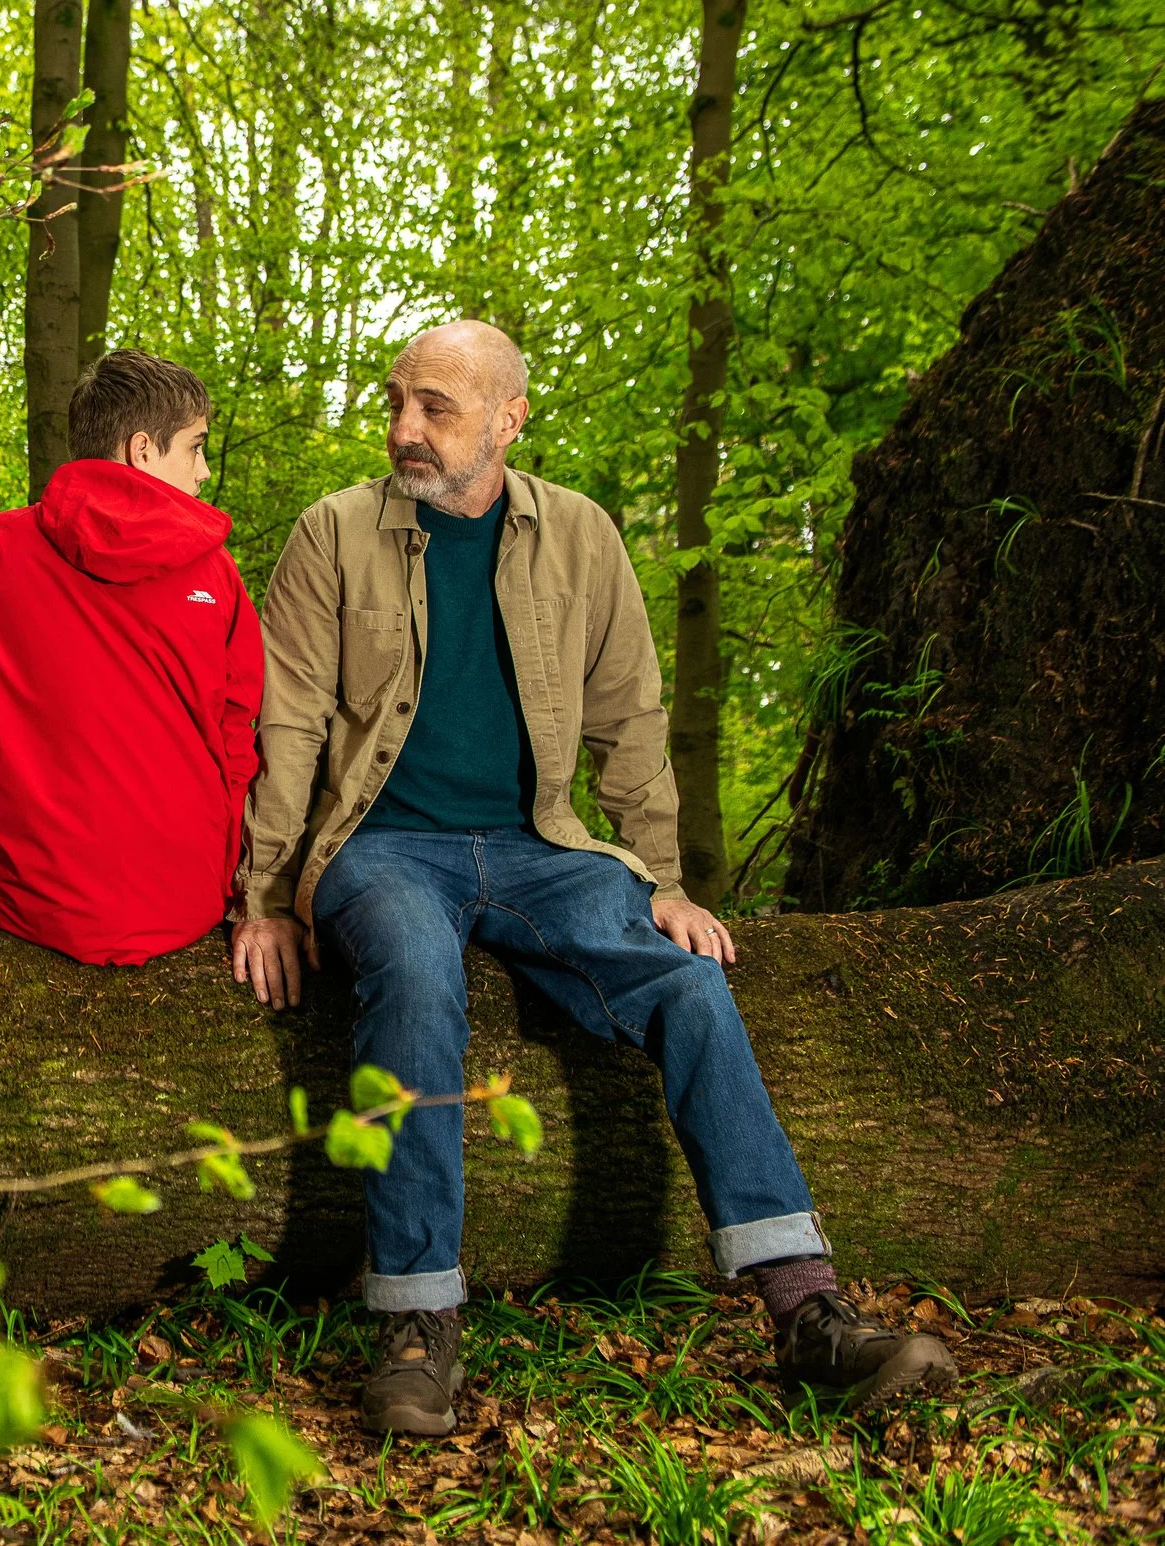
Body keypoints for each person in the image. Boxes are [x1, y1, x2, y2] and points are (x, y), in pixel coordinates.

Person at [231, 321, 955, 1435]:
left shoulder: (579, 535)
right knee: (417, 976)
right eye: (395, 402)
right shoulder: (332, 532)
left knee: (686, 983)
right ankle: (416, 1326)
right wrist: (269, 896)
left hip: (543, 846)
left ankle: (805, 1310)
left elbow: (631, 722)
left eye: (435, 407)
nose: (402, 430)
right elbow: (286, 723)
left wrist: (660, 880)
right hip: (381, 845)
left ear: (508, 419)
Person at [0, 349, 261, 964]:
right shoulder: (217, 573)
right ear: (143, 451)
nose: (204, 470)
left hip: (30, 899)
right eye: (196, 446)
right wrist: (233, 888)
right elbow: (238, 739)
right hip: (186, 900)